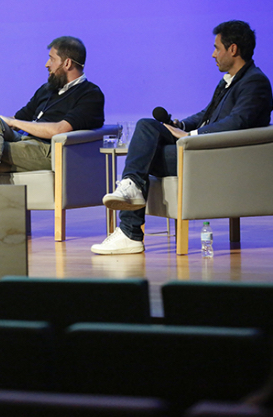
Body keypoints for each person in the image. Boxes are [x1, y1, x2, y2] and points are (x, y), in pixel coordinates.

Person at [92, 20, 272, 255]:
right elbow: (207, 115)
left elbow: (238, 123)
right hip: (201, 151)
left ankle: (130, 230)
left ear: (233, 49)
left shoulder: (255, 82)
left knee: (142, 152)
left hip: (215, 158)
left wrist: (191, 135)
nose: (213, 54)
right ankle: (130, 208)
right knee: (148, 126)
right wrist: (181, 125)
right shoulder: (231, 80)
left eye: (217, 48)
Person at [0, 36, 105, 212]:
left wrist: (13, 122)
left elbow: (60, 129)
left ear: (67, 63)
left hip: (49, 151)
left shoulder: (90, 94)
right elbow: (17, 118)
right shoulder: (47, 89)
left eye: (52, 59)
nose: (46, 64)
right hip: (24, 142)